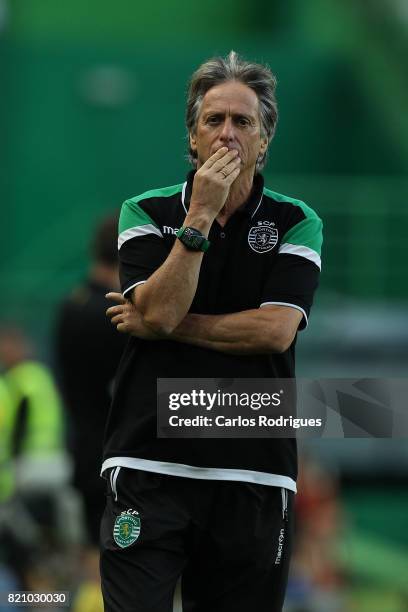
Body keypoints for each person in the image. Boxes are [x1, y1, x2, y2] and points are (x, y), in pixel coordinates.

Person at [101, 51, 323, 612]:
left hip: (253, 465)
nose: (227, 134)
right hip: (149, 461)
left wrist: (165, 324)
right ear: (193, 137)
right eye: (214, 120)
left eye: (243, 122)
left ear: (265, 138)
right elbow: (157, 311)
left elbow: (274, 332)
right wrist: (198, 218)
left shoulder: (296, 221)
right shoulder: (147, 211)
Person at [55, 214, 127, 546]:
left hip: (83, 450)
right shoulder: (116, 315)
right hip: (118, 457)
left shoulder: (71, 304)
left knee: (92, 552)